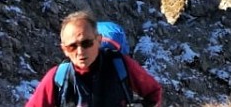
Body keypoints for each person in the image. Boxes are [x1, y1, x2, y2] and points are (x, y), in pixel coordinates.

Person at [24, 12, 163, 107]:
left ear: (98, 40)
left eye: (86, 43)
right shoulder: (57, 78)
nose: (80, 51)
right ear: (64, 49)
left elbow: (153, 93)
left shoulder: (121, 65)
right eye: (72, 46)